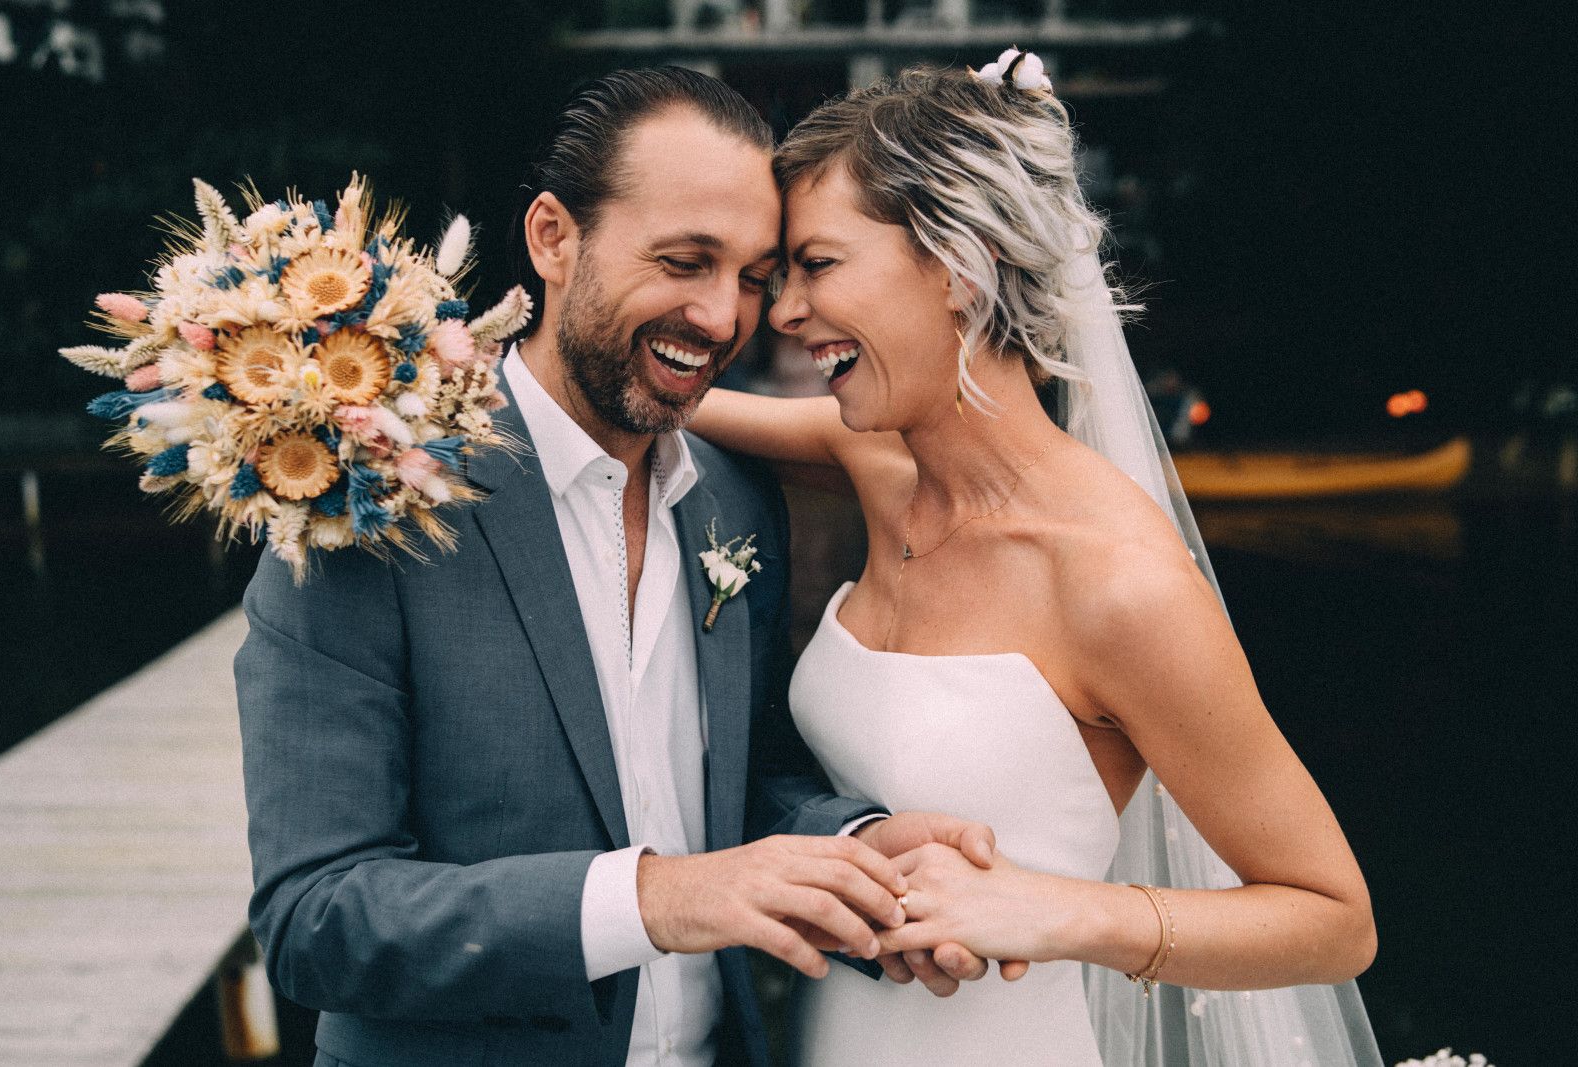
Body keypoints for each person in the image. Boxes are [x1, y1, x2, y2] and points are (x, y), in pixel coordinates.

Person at [233, 66, 993, 1067]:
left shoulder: (733, 495)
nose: (722, 318)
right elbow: (314, 916)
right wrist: (653, 896)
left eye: (754, 278)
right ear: (553, 237)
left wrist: (851, 850)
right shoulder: (365, 504)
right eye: (684, 260)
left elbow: (745, 774)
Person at [689, 56, 1383, 1065]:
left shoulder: (1118, 583)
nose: (782, 312)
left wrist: (1062, 910)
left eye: (818, 265)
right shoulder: (877, 462)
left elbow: (1333, 916)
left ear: (957, 269)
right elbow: (640, 399)